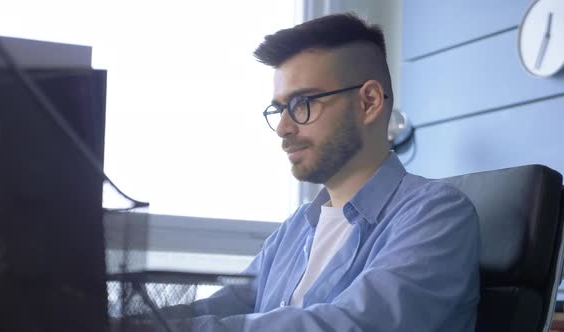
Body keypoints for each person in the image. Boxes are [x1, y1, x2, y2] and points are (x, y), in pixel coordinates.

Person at [159, 12, 480, 332]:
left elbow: (353, 325)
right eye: (279, 109)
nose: (283, 127)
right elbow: (225, 305)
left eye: (302, 104)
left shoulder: (436, 214)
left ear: (368, 103)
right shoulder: (295, 229)